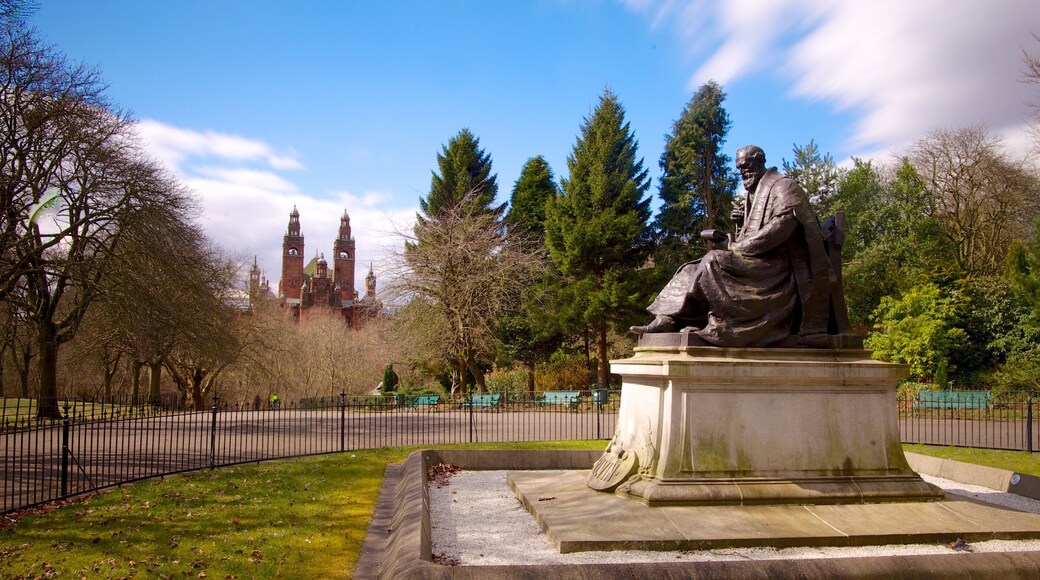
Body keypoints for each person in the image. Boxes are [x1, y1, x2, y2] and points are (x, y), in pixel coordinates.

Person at [631, 145, 832, 347]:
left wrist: (736, 247)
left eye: (745, 165)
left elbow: (781, 227)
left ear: (759, 162)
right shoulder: (753, 193)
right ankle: (668, 319)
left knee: (712, 261)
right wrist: (740, 225)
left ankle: (721, 325)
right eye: (739, 168)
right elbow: (753, 231)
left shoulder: (783, 186)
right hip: (753, 260)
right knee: (690, 269)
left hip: (775, 267)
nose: (742, 171)